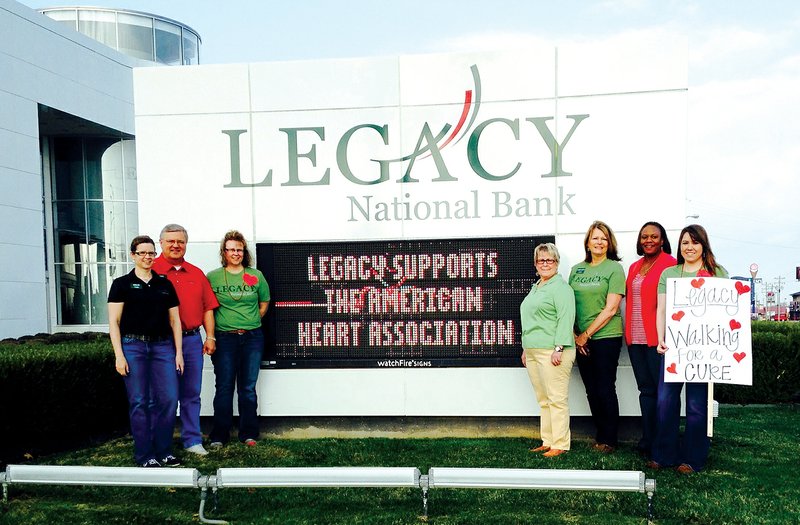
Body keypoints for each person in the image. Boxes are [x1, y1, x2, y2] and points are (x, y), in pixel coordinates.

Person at [651, 224, 728, 474]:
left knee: (697, 404)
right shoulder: (669, 274)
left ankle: (693, 459)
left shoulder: (717, 273)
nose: (689, 247)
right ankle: (664, 454)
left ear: (703, 245)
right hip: (673, 348)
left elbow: (726, 312)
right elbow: (661, 309)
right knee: (665, 402)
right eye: (685, 242)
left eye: (694, 242)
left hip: (703, 351)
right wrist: (660, 338)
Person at [108, 235, 184, 468]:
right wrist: (119, 355)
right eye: (142, 253)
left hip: (162, 347)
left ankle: (164, 451)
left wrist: (178, 352)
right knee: (140, 401)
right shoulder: (121, 284)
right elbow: (114, 322)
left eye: (151, 253)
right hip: (133, 347)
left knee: (169, 399)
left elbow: (175, 321)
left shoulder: (164, 284)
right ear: (133, 255)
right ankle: (145, 455)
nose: (147, 257)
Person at [152, 224, 220, 456]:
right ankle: (161, 441)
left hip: (191, 341)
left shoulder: (196, 273)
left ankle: (192, 440)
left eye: (180, 241)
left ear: (186, 244)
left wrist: (209, 336)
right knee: (163, 395)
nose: (175, 245)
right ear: (160, 243)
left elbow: (208, 308)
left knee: (191, 393)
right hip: (162, 342)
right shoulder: (151, 271)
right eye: (170, 241)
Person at [206, 230, 270, 447]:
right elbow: (208, 309)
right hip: (225, 339)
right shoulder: (213, 277)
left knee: (248, 388)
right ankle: (219, 435)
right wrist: (212, 336)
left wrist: (249, 321)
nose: (236, 253)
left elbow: (264, 304)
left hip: (252, 338)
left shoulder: (256, 275)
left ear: (244, 252)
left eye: (239, 249)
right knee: (224, 387)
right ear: (224, 252)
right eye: (232, 249)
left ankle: (249, 434)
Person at [569, 220, 625, 453]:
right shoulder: (577, 269)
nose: (599, 242)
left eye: (603, 238)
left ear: (609, 242)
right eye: (595, 238)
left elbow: (611, 308)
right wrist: (575, 335)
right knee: (591, 389)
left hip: (606, 337)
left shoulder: (614, 269)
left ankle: (609, 439)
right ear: (588, 242)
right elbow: (568, 303)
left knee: (604, 387)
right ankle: (599, 435)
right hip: (580, 338)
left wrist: (586, 335)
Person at [625, 221, 677, 457]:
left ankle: (663, 441)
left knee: (662, 393)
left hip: (658, 340)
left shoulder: (671, 264)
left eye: (654, 237)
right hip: (635, 339)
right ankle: (647, 438)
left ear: (663, 240)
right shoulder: (635, 266)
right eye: (644, 236)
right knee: (645, 390)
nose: (648, 240)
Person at [520, 243, 576, 458]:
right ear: (535, 264)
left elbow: (565, 318)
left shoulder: (561, 288)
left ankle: (560, 443)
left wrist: (559, 347)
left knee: (556, 398)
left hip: (553, 350)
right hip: (533, 351)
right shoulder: (537, 287)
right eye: (541, 260)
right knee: (543, 399)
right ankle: (548, 440)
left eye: (550, 260)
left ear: (557, 263)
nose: (545, 264)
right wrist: (526, 348)